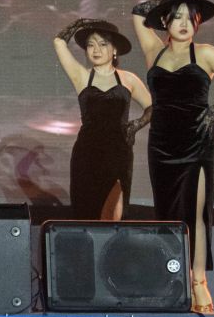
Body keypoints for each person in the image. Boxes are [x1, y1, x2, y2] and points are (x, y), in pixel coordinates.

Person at [129, 0, 214, 314]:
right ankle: (174, 279)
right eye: (177, 17)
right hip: (162, 144)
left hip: (197, 142)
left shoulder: (206, 53)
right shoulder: (154, 50)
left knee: (195, 213)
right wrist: (170, 1)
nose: (184, 23)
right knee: (167, 213)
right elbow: (138, 12)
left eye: (190, 17)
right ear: (165, 21)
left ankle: (198, 281)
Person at [51, 18, 151, 221]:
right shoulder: (81, 76)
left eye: (103, 44)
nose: (96, 50)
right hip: (87, 154)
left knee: (114, 215)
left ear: (115, 50)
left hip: (118, 153)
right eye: (90, 45)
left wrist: (136, 125)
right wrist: (80, 23)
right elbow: (59, 42)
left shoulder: (128, 79)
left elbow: (152, 106)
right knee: (86, 214)